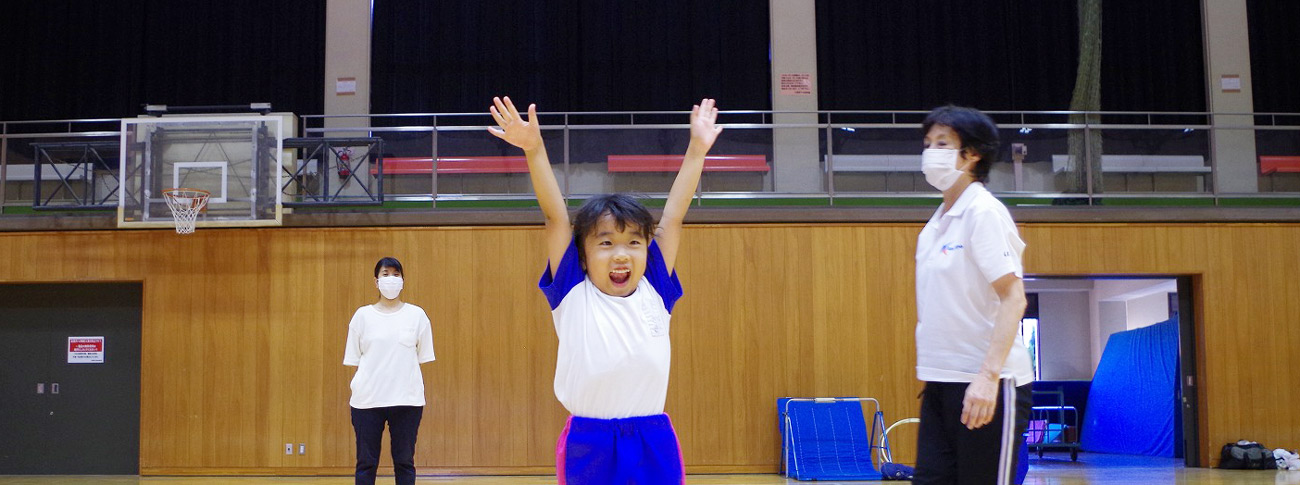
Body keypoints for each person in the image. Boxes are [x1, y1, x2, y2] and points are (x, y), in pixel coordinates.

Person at [487, 96, 722, 484]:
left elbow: (674, 216)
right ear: (582, 255)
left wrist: (697, 149)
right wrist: (534, 149)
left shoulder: (655, 287)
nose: (621, 255)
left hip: (652, 438)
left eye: (634, 243)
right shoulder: (572, 292)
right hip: (590, 441)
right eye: (606, 243)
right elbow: (555, 217)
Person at [913, 105, 1034, 485]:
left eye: (943, 143)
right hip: (939, 381)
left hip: (987, 383)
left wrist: (987, 377)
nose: (931, 152)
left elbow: (1014, 298)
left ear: (972, 154)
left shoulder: (984, 212)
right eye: (928, 143)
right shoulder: (936, 224)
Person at [343, 257, 436, 485]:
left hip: (407, 401)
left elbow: (422, 355)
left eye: (396, 274)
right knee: (366, 463)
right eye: (385, 274)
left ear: (403, 280)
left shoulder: (417, 315)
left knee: (404, 462)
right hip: (367, 402)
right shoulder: (362, 316)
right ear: (376, 282)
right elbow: (354, 358)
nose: (391, 279)